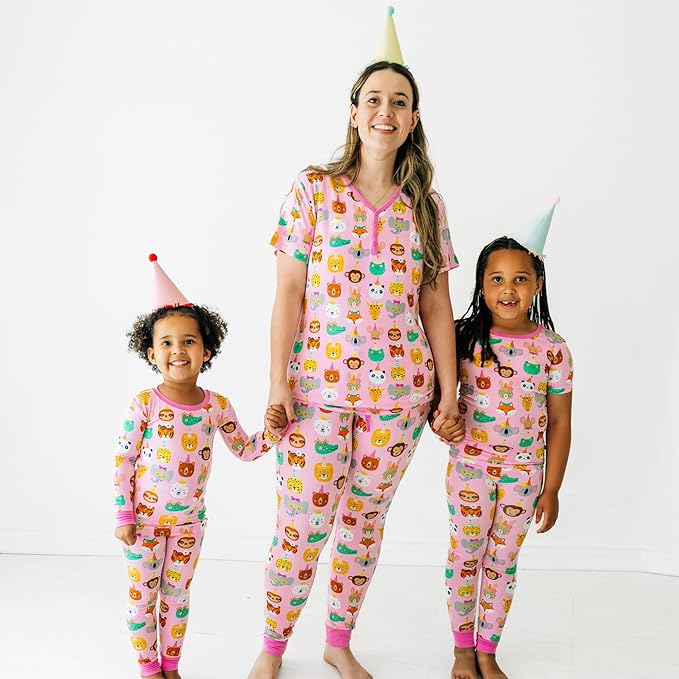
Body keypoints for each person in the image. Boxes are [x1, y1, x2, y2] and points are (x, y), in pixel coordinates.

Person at [248, 10, 464, 679]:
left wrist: (449, 391)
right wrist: (278, 383)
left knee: (363, 525)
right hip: (316, 391)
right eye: (373, 98)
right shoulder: (313, 190)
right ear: (353, 112)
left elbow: (436, 303)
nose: (385, 111)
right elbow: (288, 293)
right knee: (301, 525)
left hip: (399, 398)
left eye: (399, 101)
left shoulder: (425, 205)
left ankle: (337, 641)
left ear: (414, 118)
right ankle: (273, 647)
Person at [114, 254, 287, 679]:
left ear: (206, 350)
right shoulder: (144, 404)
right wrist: (124, 515)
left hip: (189, 525)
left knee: (177, 599)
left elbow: (245, 449)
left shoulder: (217, 406)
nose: (178, 350)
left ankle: (171, 665)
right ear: (151, 353)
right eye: (167, 343)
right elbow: (124, 461)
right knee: (142, 600)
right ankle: (148, 668)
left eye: (188, 341)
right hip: (144, 524)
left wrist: (272, 430)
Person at [444, 205, 573, 679]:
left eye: (520, 279)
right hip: (470, 470)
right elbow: (438, 400)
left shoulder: (553, 349)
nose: (508, 289)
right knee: (466, 556)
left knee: (503, 562)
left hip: (524, 475)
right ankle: (462, 648)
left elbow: (560, 422)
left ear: (537, 284)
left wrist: (552, 487)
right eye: (496, 279)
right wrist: (443, 424)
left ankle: (487, 649)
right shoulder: (462, 339)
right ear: (481, 286)